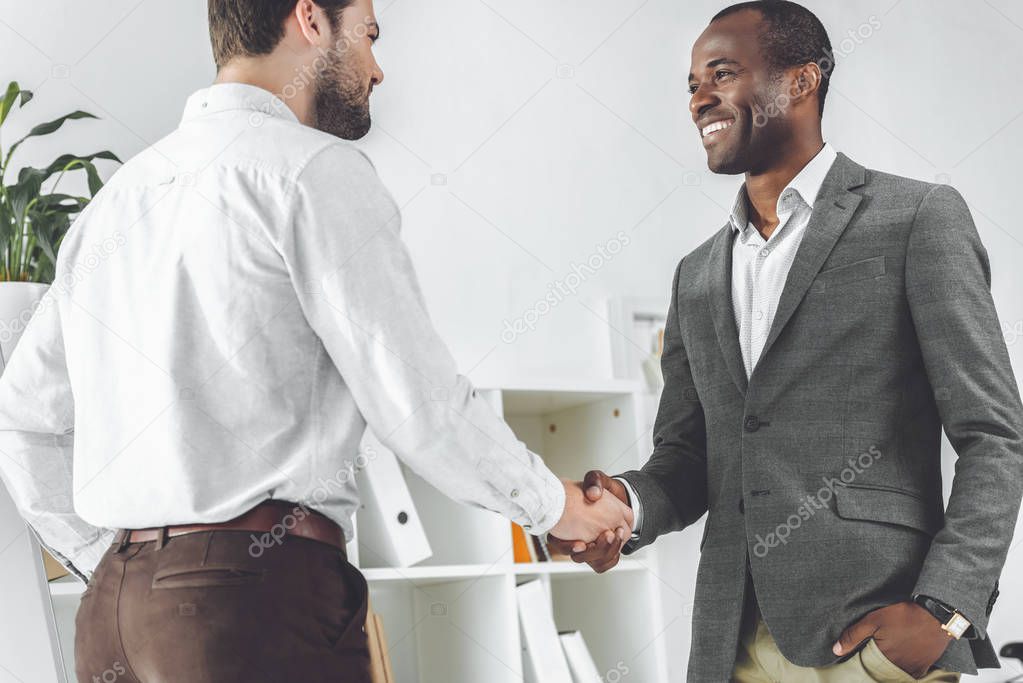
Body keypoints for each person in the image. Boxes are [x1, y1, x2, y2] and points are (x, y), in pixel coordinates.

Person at [0, 1, 631, 681]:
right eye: (368, 34)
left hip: (112, 622)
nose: (377, 68)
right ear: (309, 18)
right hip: (254, 605)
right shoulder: (308, 171)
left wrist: (113, 560)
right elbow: (415, 404)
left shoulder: (116, 204)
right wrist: (556, 506)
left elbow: (24, 420)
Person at [550, 1, 1023, 681]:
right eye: (690, 84)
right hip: (728, 640)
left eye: (721, 73)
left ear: (801, 81)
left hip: (869, 637)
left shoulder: (915, 218)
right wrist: (623, 504)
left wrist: (944, 607)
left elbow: (993, 432)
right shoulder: (696, 275)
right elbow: (689, 456)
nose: (698, 99)